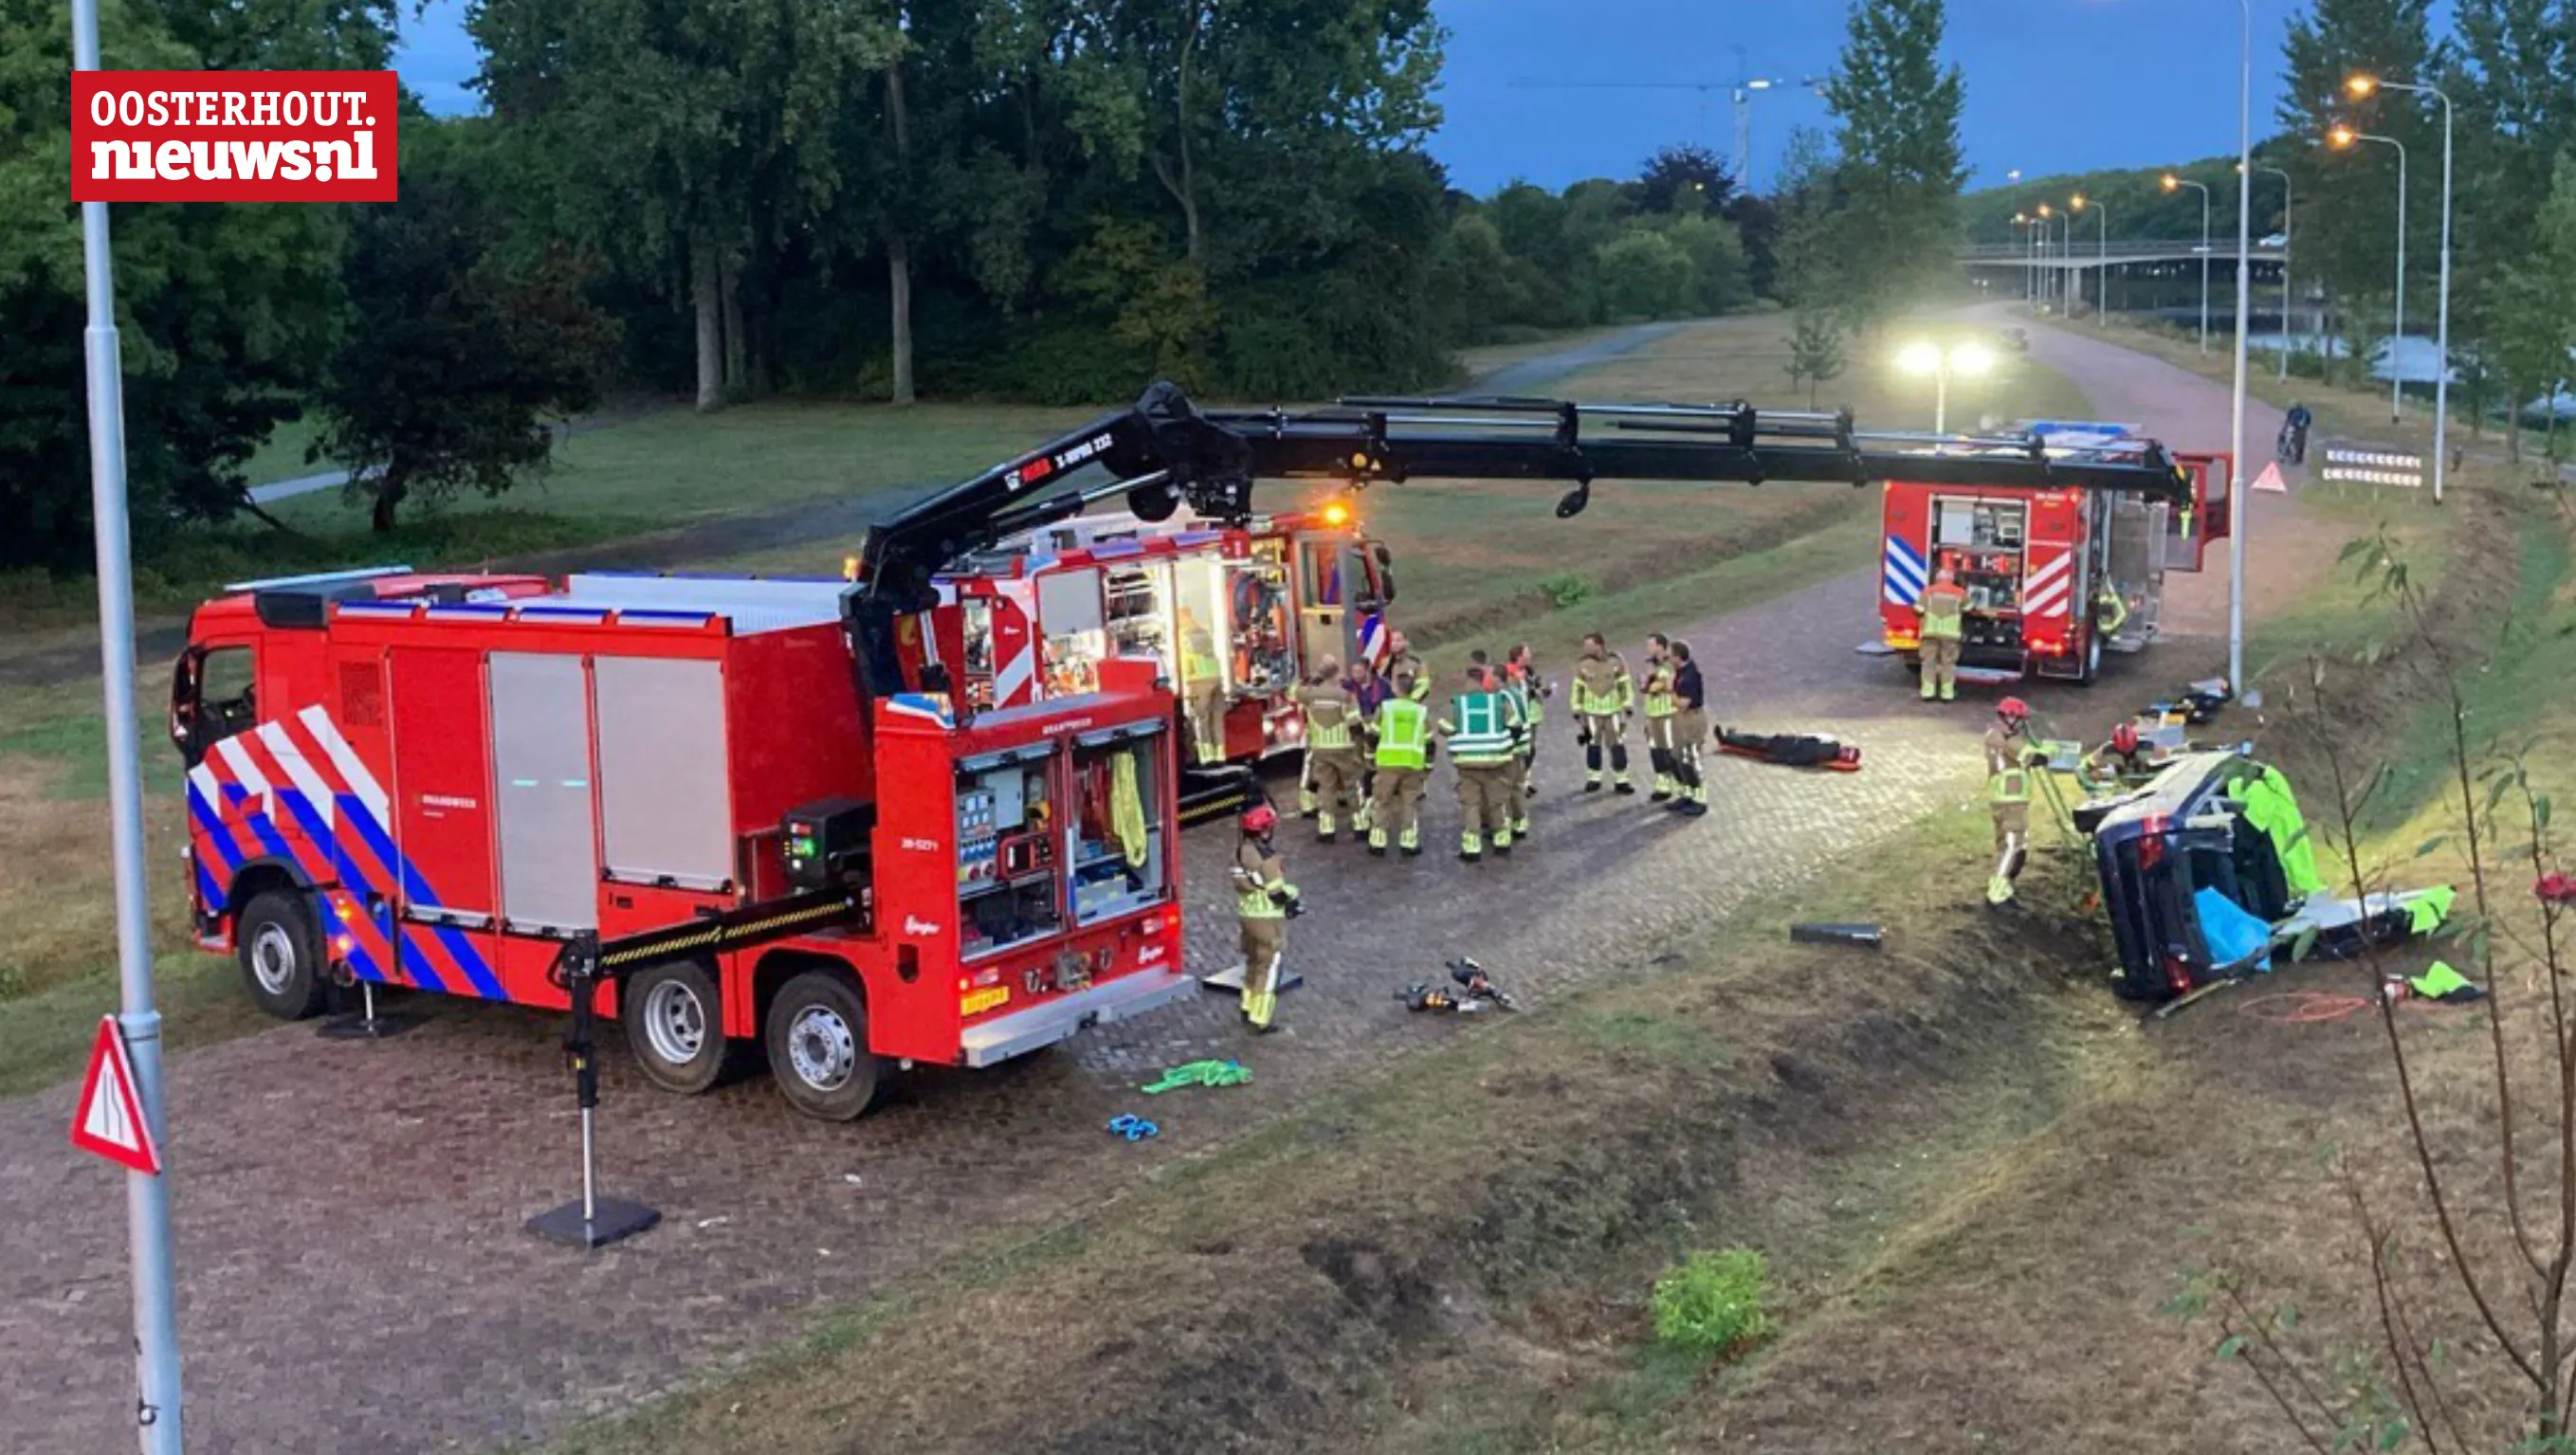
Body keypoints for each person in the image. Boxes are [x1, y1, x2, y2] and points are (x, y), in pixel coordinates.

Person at [1440, 663, 1523, 860]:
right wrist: (1507, 744)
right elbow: (1516, 726)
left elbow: (1445, 728)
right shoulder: (1498, 702)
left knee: (1471, 804)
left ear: (1469, 681)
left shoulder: (1459, 704)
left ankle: (1472, 846)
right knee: (1497, 802)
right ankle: (1502, 841)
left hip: (1468, 765)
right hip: (1495, 761)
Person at [1230, 802, 1298, 1033]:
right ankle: (1261, 1018)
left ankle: (1247, 1005)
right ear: (1265, 831)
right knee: (1268, 966)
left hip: (1246, 917)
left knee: (1252, 961)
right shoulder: (1268, 860)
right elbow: (1276, 892)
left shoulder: (1239, 853)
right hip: (1267, 920)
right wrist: (1292, 900)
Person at [1293, 656, 1364, 842]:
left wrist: (1310, 682)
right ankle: (1360, 824)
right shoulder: (1346, 696)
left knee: (1326, 787)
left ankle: (1327, 828)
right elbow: (1355, 724)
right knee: (1351, 785)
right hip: (1343, 747)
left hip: (1320, 749)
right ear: (1336, 673)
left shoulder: (1309, 695)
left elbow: (1291, 692)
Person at [1367, 670, 1432, 858]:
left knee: (1382, 801)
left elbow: (1372, 735)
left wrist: (1370, 757)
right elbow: (1429, 741)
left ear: (1395, 688)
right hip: (1412, 764)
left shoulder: (1386, 708)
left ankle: (1378, 840)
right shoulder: (1421, 711)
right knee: (1409, 803)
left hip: (1387, 762)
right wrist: (1428, 766)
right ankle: (1408, 841)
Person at [1984, 697, 2041, 908]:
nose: (2022, 724)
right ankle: (1998, 893)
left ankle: (2004, 887)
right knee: (2011, 846)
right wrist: (2050, 754)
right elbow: (2027, 753)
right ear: (2010, 717)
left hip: (2008, 799)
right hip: (2010, 801)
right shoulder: (2003, 738)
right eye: (2020, 720)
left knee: (2011, 845)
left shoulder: (1997, 735)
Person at [1569, 632, 1635, 793]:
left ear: (1599, 645)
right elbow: (1577, 688)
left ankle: (1622, 779)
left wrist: (1627, 704)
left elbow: (1625, 684)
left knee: (1617, 746)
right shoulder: (1582, 665)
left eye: (1588, 645)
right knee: (1593, 746)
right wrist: (1576, 708)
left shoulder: (1615, 661)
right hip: (1591, 713)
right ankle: (1594, 778)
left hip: (1613, 712)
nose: (1585, 648)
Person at [1504, 643, 1546, 838]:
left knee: (1530, 751)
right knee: (1520, 754)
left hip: (1532, 716)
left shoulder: (1527, 671)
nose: (1529, 656)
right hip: (1519, 720)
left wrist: (1540, 690)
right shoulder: (1510, 674)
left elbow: (1535, 686)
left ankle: (1525, 781)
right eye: (1527, 653)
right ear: (1518, 656)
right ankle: (1520, 786)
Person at [1178, 606, 1226, 764]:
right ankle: (1220, 756)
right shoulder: (1202, 629)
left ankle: (1206, 758)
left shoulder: (1180, 634)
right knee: (1217, 719)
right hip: (1216, 678)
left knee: (1201, 719)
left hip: (1197, 681)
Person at [1667, 641, 1709, 817]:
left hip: (1692, 719)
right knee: (1676, 756)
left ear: (1678, 656)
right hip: (1681, 719)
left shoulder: (1691, 676)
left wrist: (1669, 691)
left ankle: (1700, 799)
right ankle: (1687, 793)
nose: (1667, 658)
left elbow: (1683, 704)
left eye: (1670, 655)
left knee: (1691, 758)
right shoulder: (1680, 672)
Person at [1917, 564, 1968, 702]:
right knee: (1948, 664)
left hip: (1930, 634)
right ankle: (1947, 694)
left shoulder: (1928, 591)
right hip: (1950, 636)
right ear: (1952, 579)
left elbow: (1918, 609)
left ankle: (1928, 692)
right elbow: (1968, 608)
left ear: (1937, 578)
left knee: (1928, 662)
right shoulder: (1960, 592)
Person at [1640, 633, 1678, 801]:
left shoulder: (1670, 664)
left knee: (1671, 750)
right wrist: (1645, 681)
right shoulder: (1649, 664)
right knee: (1656, 749)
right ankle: (1663, 783)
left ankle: (1682, 786)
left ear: (1661, 646)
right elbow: (1645, 686)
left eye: (1651, 645)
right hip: (1652, 713)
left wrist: (1652, 682)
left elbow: (1664, 685)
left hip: (1668, 713)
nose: (1648, 649)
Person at [2080, 720, 2160, 791]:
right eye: (2122, 749)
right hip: (2120, 780)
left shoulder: (2147, 745)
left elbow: (2167, 758)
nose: (2126, 751)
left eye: (2129, 748)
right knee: (2093, 773)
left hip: (2149, 779)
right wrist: (2088, 770)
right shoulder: (2107, 748)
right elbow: (2088, 764)